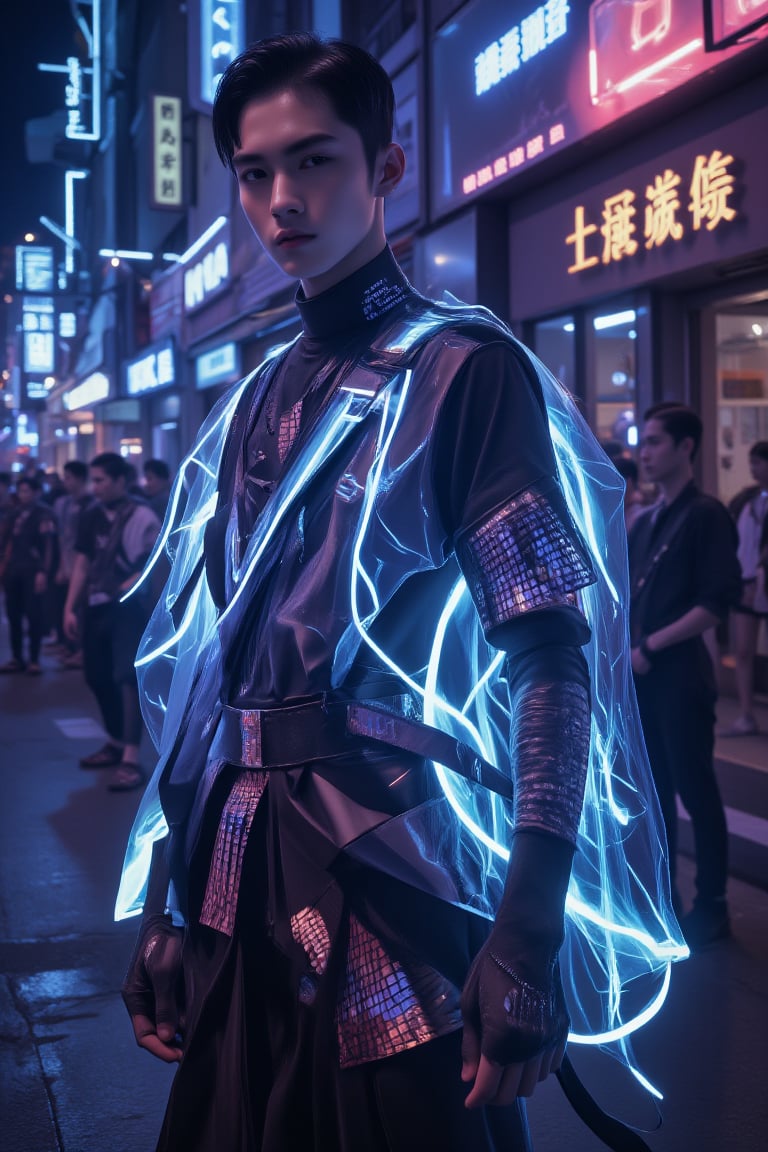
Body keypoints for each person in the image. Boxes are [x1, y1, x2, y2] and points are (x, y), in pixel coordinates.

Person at [117, 34, 683, 1152]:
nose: (283, 199)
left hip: (393, 873)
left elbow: (552, 661)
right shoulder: (254, 397)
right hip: (235, 869)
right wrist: (167, 904)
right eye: (255, 170)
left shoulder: (467, 373)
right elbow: (207, 674)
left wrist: (527, 924)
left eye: (316, 160)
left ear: (387, 164)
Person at [629, 403, 741, 949]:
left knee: (696, 791)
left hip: (680, 676)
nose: (644, 453)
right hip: (645, 677)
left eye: (653, 442)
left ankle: (713, 904)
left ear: (686, 447)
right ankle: (664, 897)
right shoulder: (649, 518)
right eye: (643, 442)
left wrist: (652, 642)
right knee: (655, 793)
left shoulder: (706, 514)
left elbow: (717, 602)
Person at [64, 452, 161, 791]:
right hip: (96, 605)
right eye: (94, 480)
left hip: (127, 608)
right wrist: (69, 606)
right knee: (96, 676)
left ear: (121, 481)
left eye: (102, 480)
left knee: (126, 678)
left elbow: (156, 562)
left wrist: (135, 579)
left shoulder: (143, 516)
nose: (96, 486)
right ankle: (116, 740)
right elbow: (82, 561)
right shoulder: (91, 515)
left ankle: (131, 758)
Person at [719, 440, 768, 736]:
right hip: (746, 581)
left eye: (759, 462)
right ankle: (747, 713)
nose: (753, 468)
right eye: (751, 462)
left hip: (762, 580)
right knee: (744, 650)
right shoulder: (745, 499)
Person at [0, 475, 57, 675]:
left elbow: (48, 546)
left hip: (32, 570)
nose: (23, 495)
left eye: (27, 491)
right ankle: (17, 658)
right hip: (13, 569)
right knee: (13, 614)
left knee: (33, 615)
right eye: (21, 491)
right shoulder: (13, 514)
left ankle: (34, 659)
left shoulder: (44, 514)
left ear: (36, 492)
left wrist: (43, 571)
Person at [52, 460, 94, 668]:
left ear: (79, 479)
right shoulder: (63, 504)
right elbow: (62, 537)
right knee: (72, 606)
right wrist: (62, 565)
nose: (65, 482)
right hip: (69, 562)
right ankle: (74, 646)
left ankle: (82, 650)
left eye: (68, 477)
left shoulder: (91, 504)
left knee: (83, 607)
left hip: (85, 564)